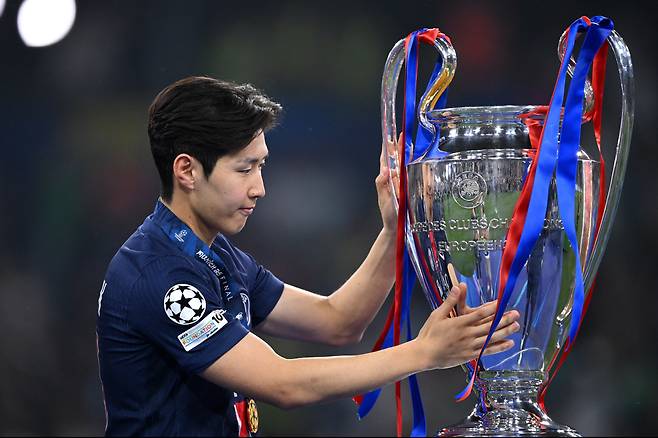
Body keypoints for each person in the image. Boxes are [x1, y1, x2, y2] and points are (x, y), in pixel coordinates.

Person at [95, 76, 520, 437]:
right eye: (244, 169)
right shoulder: (159, 274)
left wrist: (395, 231)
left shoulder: (213, 255)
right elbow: (283, 384)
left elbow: (338, 321)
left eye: (261, 166)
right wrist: (423, 353)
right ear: (187, 170)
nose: (259, 188)